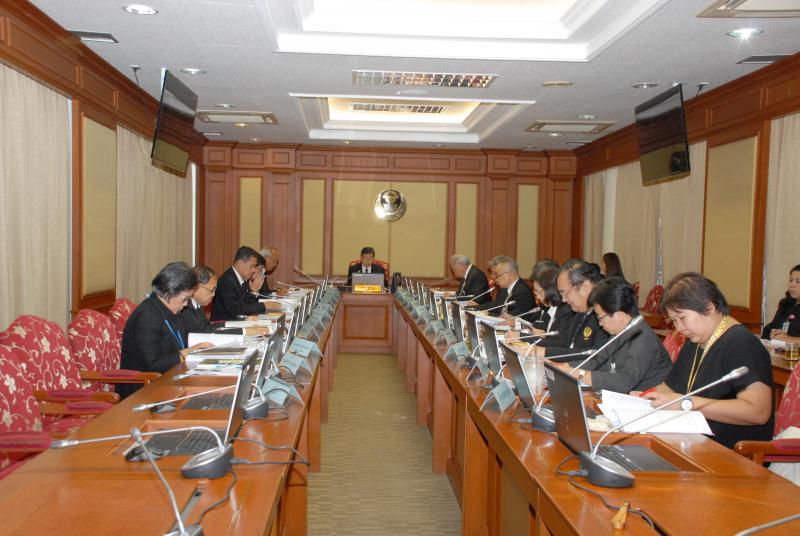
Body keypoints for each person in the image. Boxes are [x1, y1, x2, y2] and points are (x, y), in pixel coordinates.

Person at [639, 272, 774, 450]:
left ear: (709, 308)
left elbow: (758, 412)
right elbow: (670, 388)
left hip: (730, 452)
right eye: (673, 321)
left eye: (682, 318)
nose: (679, 328)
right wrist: (642, 399)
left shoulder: (741, 343)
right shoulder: (696, 340)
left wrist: (687, 404)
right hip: (690, 441)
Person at [553, 277, 671, 393]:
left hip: (646, 401)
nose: (600, 324)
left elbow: (624, 381)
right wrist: (564, 367)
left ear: (618, 314)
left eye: (600, 317)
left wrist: (579, 374)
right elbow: (597, 361)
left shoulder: (643, 338)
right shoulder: (620, 331)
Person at [118, 262, 211, 398]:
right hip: (142, 390)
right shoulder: (147, 316)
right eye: (185, 299)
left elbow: (179, 342)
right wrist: (185, 353)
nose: (186, 304)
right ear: (169, 292)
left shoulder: (170, 310)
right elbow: (152, 366)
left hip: (171, 379)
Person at [531, 260, 610, 358]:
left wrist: (544, 352)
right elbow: (566, 346)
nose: (563, 300)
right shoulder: (579, 312)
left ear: (585, 287)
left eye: (564, 293)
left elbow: (596, 356)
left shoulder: (606, 313)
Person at [177, 265, 269, 337]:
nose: (213, 295)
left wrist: (242, 322)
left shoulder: (197, 305)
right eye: (211, 290)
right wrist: (244, 331)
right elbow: (205, 332)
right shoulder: (185, 308)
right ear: (196, 287)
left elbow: (210, 326)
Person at [211, 246, 268, 321]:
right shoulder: (227, 281)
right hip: (225, 324)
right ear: (240, 263)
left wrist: (253, 292)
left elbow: (247, 306)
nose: (254, 270)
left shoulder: (242, 279)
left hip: (238, 322)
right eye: (252, 266)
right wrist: (264, 305)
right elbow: (236, 311)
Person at [762, 264, 800, 342]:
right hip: (777, 348)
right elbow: (774, 325)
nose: (792, 285)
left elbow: (787, 337)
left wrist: (788, 339)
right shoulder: (785, 303)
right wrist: (773, 332)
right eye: (791, 280)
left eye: (798, 281)